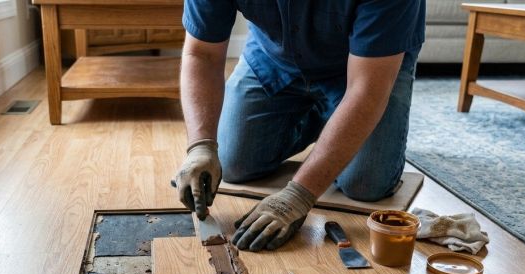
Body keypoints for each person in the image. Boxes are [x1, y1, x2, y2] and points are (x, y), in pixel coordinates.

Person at [173, 0, 425, 251]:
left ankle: (340, 124)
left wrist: (299, 195)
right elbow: (201, 53)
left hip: (369, 67)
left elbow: (367, 91)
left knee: (364, 184)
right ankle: (332, 124)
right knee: (234, 164)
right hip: (275, 58)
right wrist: (201, 145)